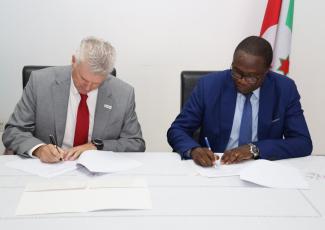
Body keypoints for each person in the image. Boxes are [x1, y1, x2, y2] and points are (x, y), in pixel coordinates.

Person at [167, 36, 312, 167]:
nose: (241, 81)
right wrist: (194, 150)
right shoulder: (209, 86)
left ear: (267, 71)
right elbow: (177, 130)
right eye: (236, 72)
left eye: (251, 77)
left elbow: (302, 142)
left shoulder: (284, 89)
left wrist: (254, 149)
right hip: (217, 168)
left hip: (262, 168)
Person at [2, 36, 145, 163]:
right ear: (73, 61)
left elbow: (135, 143)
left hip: (98, 175)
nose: (88, 87)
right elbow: (14, 131)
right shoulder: (40, 83)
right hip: (48, 170)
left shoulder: (123, 93)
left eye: (96, 83)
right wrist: (40, 149)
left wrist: (97, 146)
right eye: (83, 79)